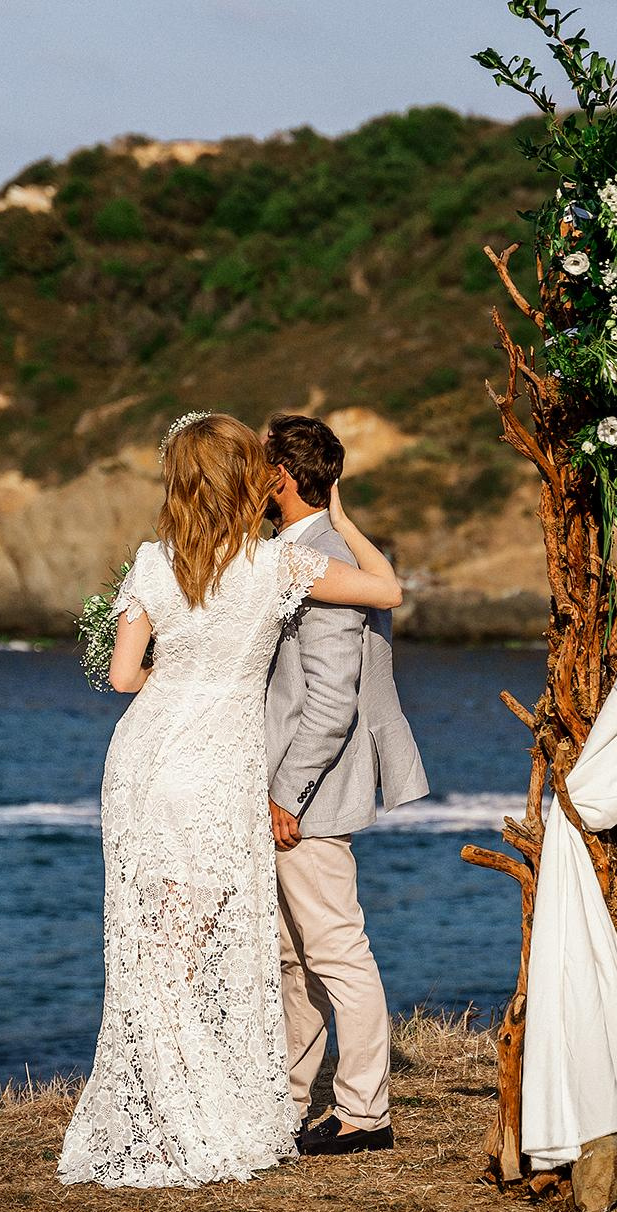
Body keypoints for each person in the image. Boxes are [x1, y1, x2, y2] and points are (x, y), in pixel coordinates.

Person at [57, 411, 404, 1189]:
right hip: (218, 765)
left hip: (147, 758)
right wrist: (339, 512)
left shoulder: (153, 562)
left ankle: (167, 1112)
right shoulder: (276, 566)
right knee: (216, 943)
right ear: (245, 477)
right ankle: (210, 1110)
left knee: (154, 948)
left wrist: (180, 686)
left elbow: (121, 679)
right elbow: (386, 588)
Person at [262, 413, 428, 1157]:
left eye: (257, 464)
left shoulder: (321, 558)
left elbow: (331, 700)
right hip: (288, 791)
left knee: (336, 953)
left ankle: (365, 1112)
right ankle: (292, 1101)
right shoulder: (298, 549)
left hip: (307, 798)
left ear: (281, 476)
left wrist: (285, 794)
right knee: (294, 959)